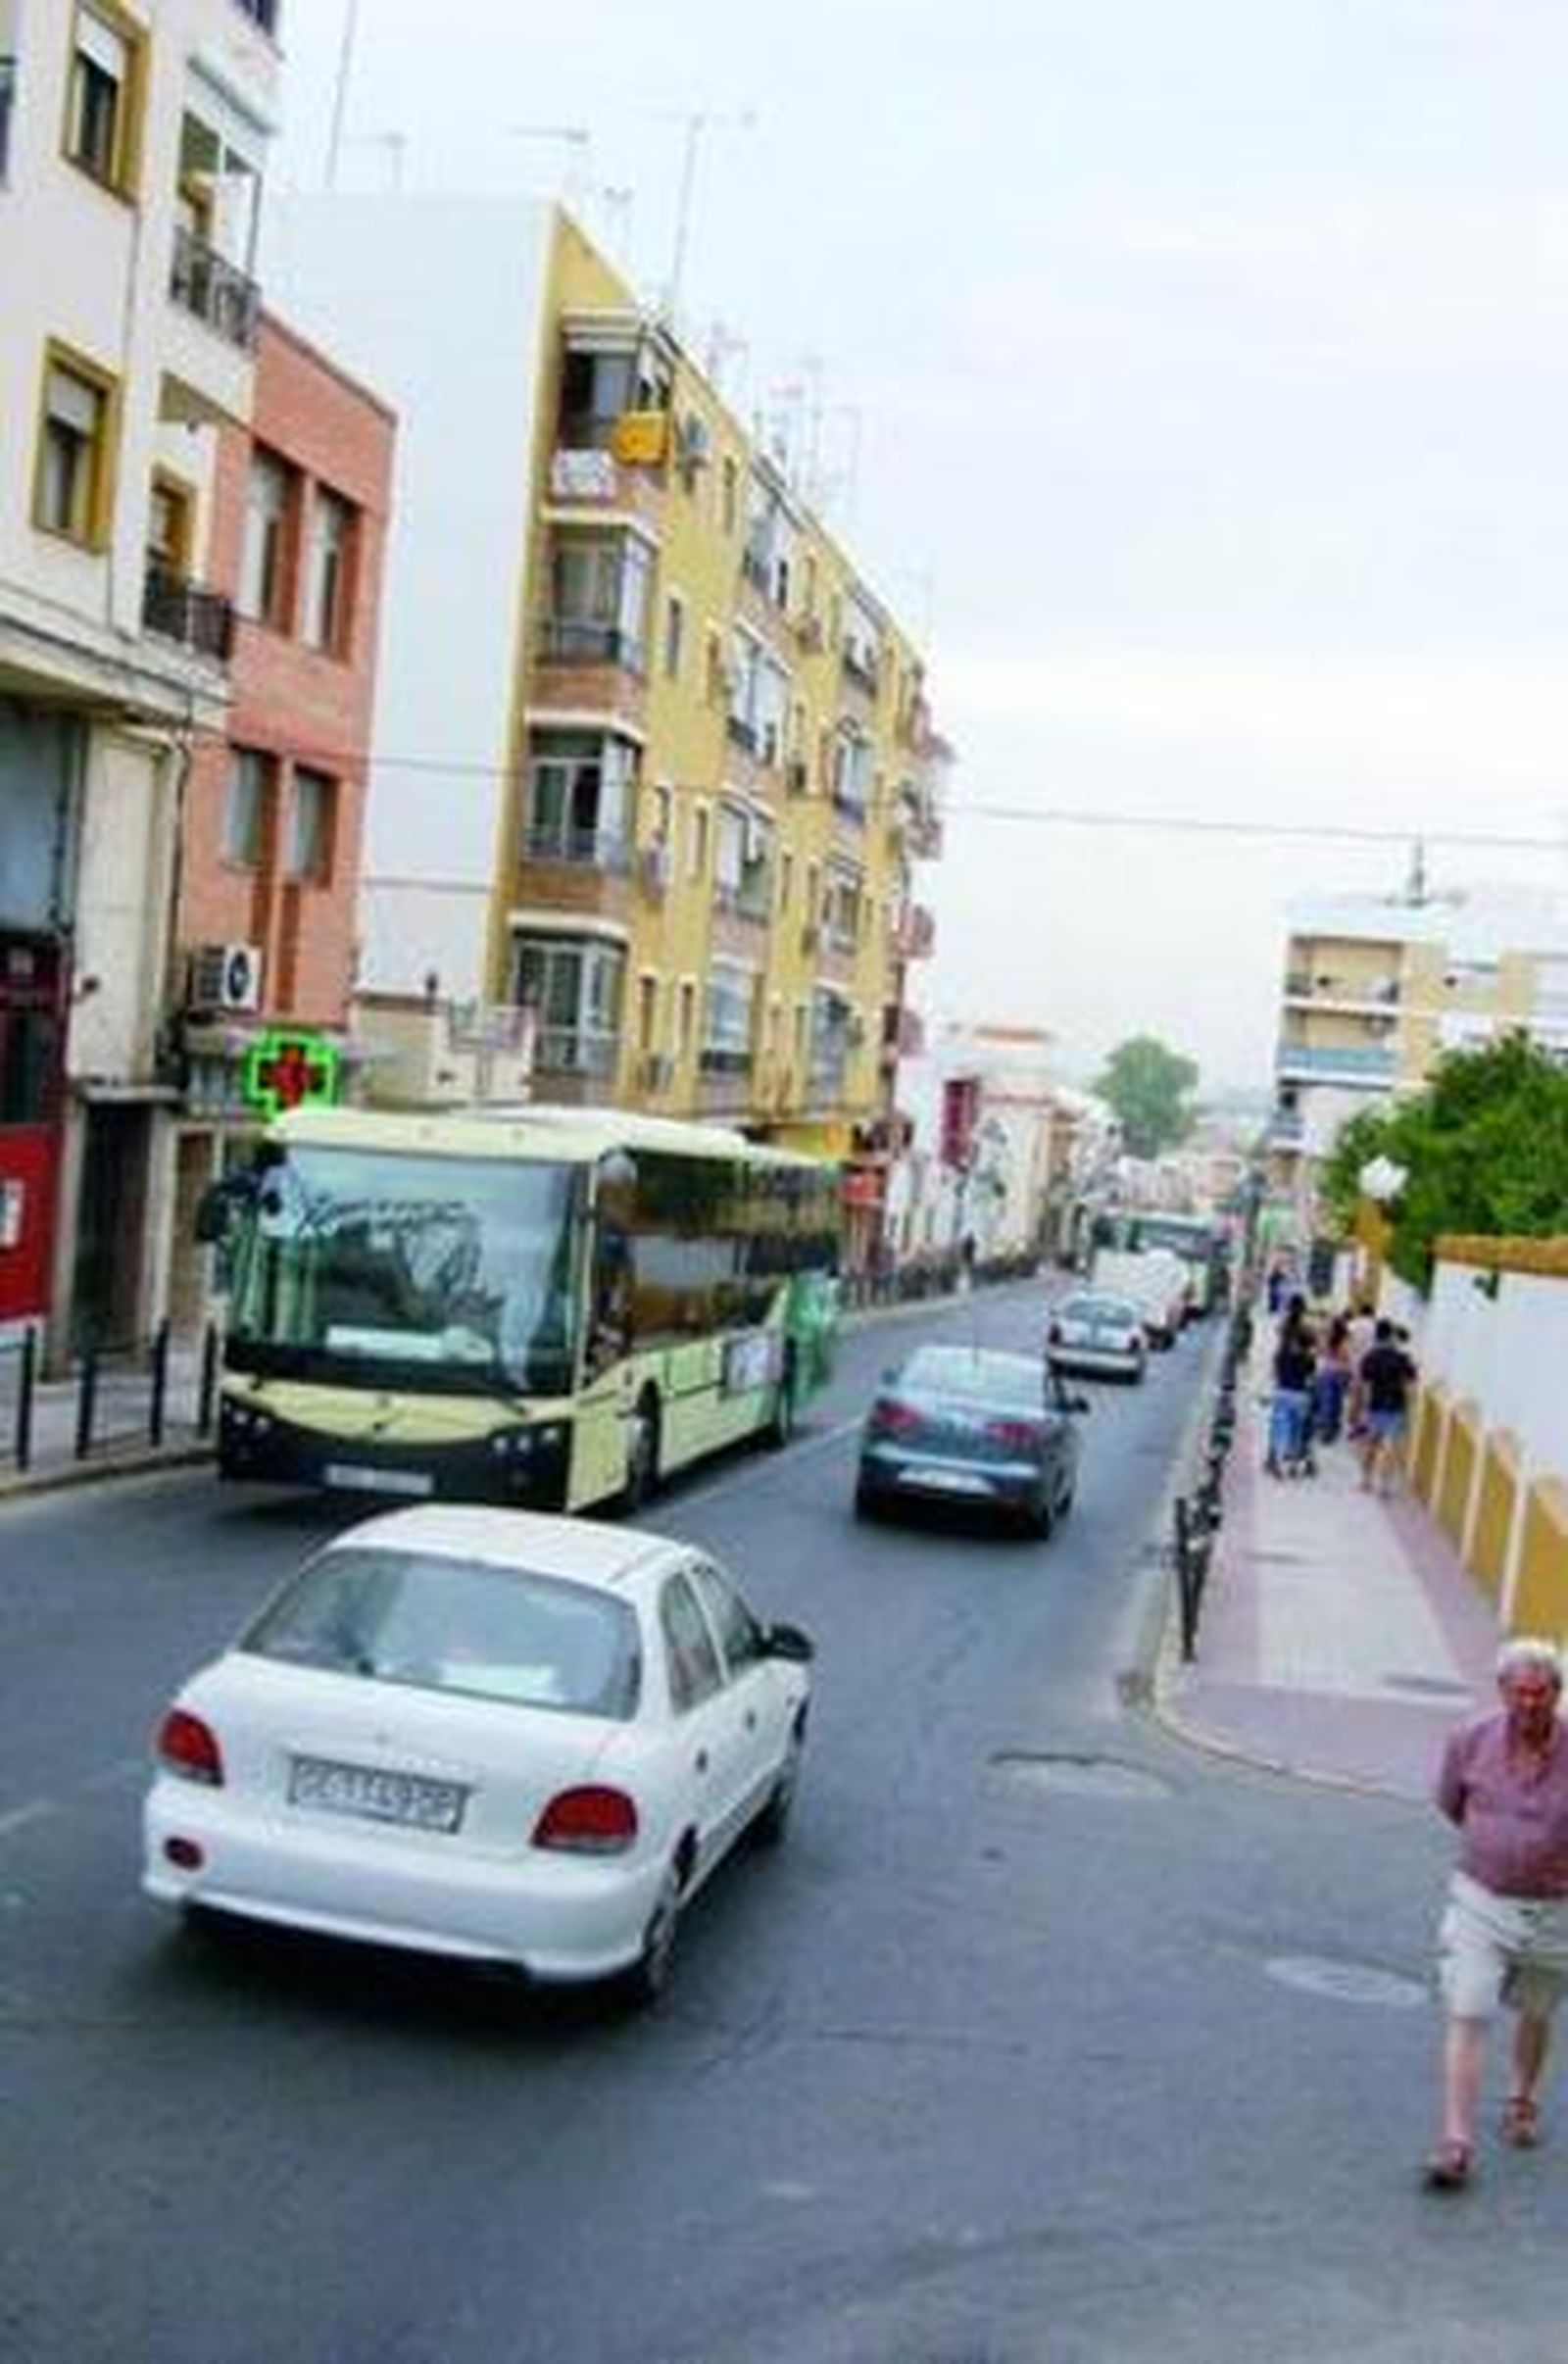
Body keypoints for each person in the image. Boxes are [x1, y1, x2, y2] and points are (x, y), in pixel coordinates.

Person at [1423, 1638, 1568, 2192]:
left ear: (1556, 1693)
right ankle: (1455, 2142)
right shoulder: (1470, 1740)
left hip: (1556, 1909)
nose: (1529, 1703)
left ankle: (1522, 2098)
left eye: (1541, 1692)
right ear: (1503, 1691)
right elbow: (1450, 1802)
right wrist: (1495, 1847)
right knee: (1468, 2009)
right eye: (1519, 1692)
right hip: (1481, 1898)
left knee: (1538, 2008)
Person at [1356, 1317, 1417, 1497]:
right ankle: (1384, 1485)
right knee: (1390, 1448)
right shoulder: (1402, 1358)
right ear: (1390, 1336)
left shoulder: (1369, 1357)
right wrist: (1409, 1410)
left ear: (1376, 1336)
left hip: (1375, 1406)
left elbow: (1364, 1385)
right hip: (1396, 1408)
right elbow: (1410, 1386)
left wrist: (1364, 1408)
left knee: (1371, 1445)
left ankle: (1366, 1480)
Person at [1265, 1294, 1316, 1478]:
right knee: (1296, 1430)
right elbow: (1311, 1377)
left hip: (1282, 1390)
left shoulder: (1283, 1337)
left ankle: (1273, 1459)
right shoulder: (1308, 1353)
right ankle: (1293, 1465)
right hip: (1300, 1394)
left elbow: (1275, 1369)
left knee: (1278, 1427)